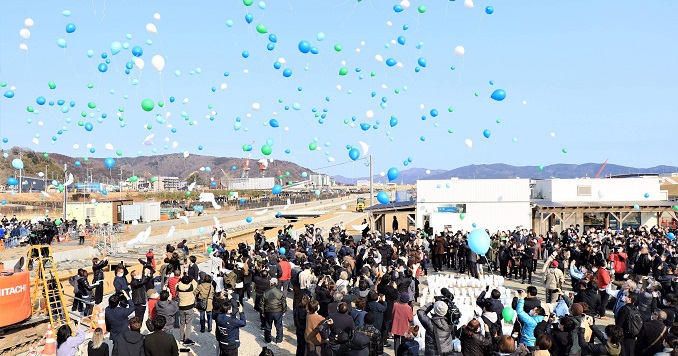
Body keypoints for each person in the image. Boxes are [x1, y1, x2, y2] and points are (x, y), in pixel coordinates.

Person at [260, 278, 286, 344]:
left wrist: (262, 312)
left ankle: (268, 340)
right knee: (279, 326)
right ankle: (279, 340)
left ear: (270, 283)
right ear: (277, 284)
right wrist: (284, 311)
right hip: (278, 311)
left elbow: (262, 303)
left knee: (268, 326)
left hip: (268, 311)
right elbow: (284, 303)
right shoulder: (280, 292)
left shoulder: (265, 292)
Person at [616, 292, 642, 356]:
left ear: (629, 299)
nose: (625, 297)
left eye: (626, 296)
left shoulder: (624, 309)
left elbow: (619, 324)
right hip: (633, 336)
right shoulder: (636, 310)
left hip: (624, 336)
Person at [176, 274, 198, 345]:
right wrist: (190, 277)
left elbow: (176, 285)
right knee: (188, 324)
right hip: (189, 307)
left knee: (182, 324)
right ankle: (186, 339)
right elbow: (195, 283)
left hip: (181, 307)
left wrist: (180, 280)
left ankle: (181, 339)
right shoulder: (191, 287)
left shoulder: (178, 287)